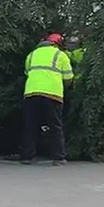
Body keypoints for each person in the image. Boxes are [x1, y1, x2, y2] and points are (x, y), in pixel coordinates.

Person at [19, 33, 74, 166]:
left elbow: (27, 72)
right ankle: (58, 157)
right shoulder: (60, 55)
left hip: (31, 94)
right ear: (58, 43)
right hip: (52, 94)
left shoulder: (32, 55)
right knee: (55, 126)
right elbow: (68, 77)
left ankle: (27, 157)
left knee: (31, 126)